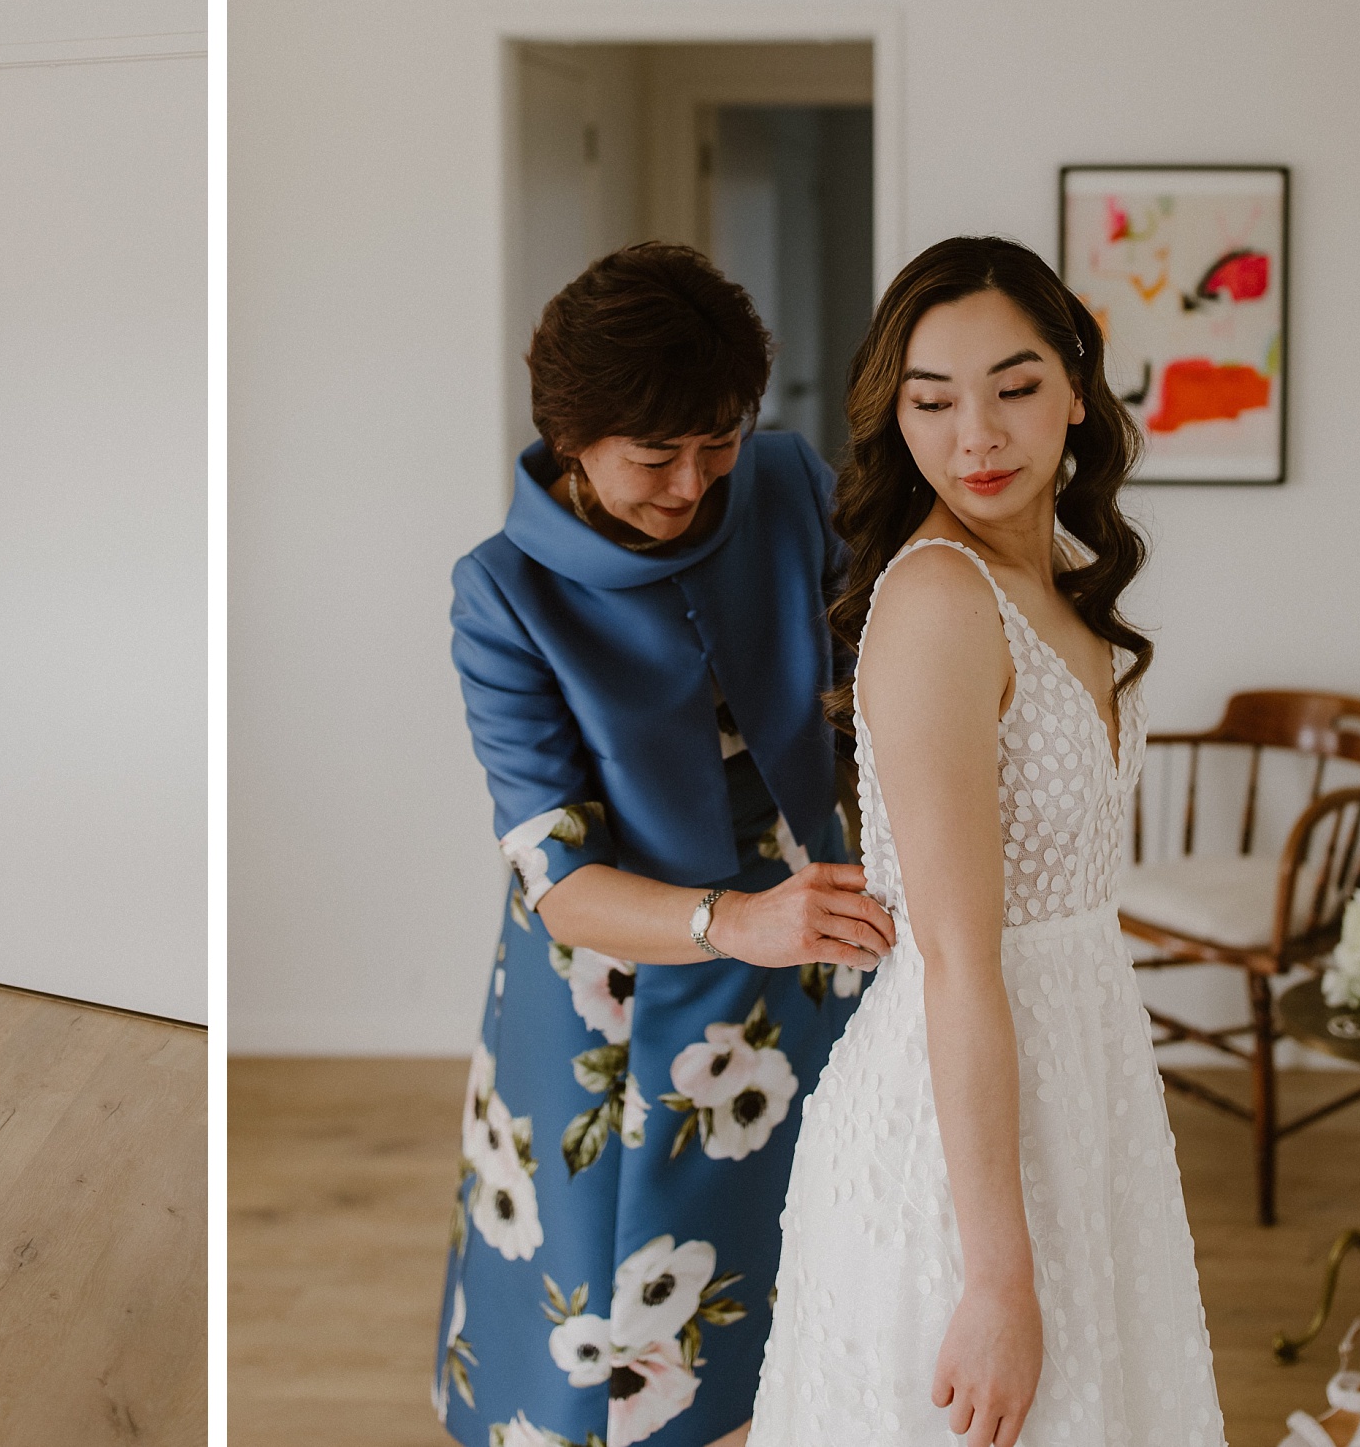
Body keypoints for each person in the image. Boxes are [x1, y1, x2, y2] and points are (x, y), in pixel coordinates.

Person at [748, 237, 1223, 1446]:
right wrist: (999, 1275)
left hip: (1081, 1077)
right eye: (933, 400)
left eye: (1014, 386)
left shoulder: (1067, 575)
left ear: (1076, 387)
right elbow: (961, 959)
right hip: (955, 1132)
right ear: (892, 417)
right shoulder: (936, 601)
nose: (979, 436)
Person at [436, 243, 896, 1447]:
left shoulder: (792, 483)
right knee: (611, 1287)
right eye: (654, 455)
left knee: (803, 1240)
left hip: (812, 936)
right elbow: (556, 873)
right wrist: (732, 919)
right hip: (608, 961)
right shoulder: (504, 592)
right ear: (573, 436)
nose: (693, 481)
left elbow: (881, 672)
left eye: (719, 439)